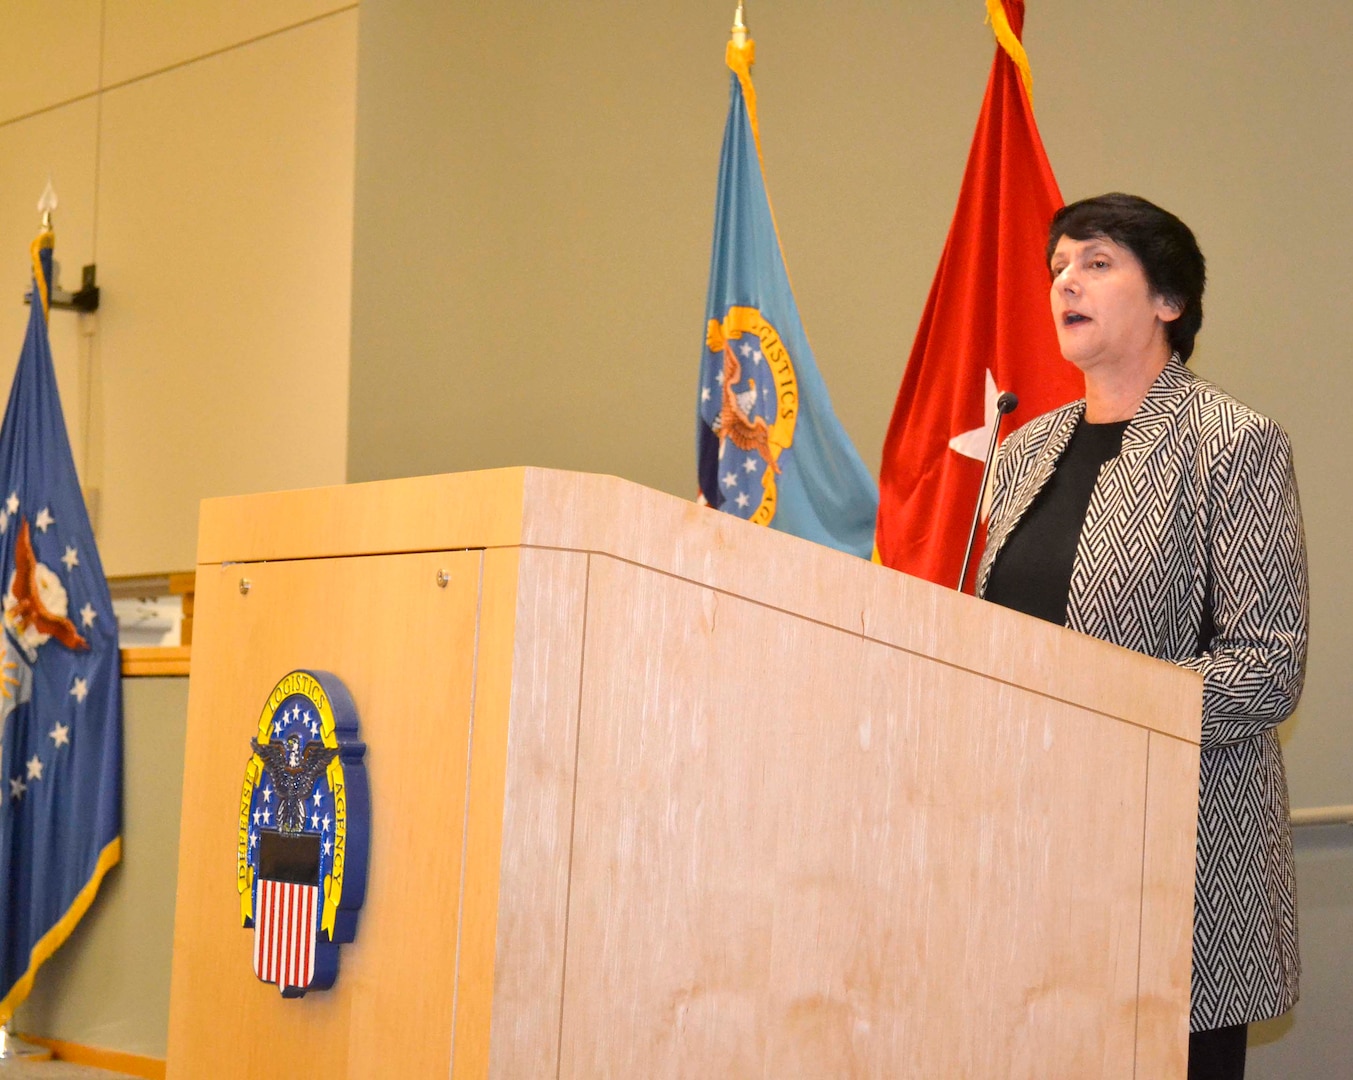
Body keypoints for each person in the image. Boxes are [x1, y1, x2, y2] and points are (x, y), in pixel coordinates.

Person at [977, 193, 1308, 1080]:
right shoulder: (1019, 454)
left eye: (1095, 261)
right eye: (1057, 266)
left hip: (1176, 867)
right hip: (1028, 856)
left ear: (1168, 301)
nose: (1064, 282)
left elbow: (1267, 667)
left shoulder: (1230, 445)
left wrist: (1099, 713)